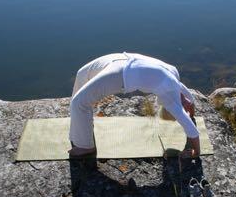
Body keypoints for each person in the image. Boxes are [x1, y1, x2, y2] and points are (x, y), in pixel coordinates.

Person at [69, 52, 199, 158]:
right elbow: (188, 118)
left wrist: (191, 113)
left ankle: (85, 145)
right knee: (80, 89)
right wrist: (196, 151)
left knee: (80, 93)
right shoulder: (171, 90)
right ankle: (83, 130)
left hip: (121, 63)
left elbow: (189, 107)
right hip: (120, 66)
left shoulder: (173, 74)